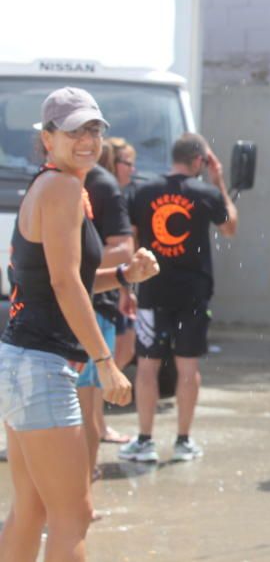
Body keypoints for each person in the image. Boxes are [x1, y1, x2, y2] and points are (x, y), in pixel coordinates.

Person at [0, 87, 158, 561]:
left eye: (93, 129)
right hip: (42, 365)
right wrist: (105, 362)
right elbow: (66, 285)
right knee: (74, 515)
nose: (86, 140)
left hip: (20, 360)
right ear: (48, 138)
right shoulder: (64, 188)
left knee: (31, 508)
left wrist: (125, 275)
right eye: (73, 131)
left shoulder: (50, 184)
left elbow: (61, 281)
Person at [119, 133, 238, 463]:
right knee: (188, 368)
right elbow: (230, 227)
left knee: (147, 366)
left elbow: (132, 242)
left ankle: (145, 440)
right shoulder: (206, 193)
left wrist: (126, 288)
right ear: (199, 161)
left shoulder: (142, 191)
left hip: (152, 292)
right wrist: (220, 182)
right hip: (193, 295)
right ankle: (183, 441)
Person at [77, 137, 135, 485]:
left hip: (95, 307)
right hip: (72, 306)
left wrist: (69, 266)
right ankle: (81, 483)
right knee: (84, 407)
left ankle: (83, 486)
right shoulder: (54, 179)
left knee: (87, 406)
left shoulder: (101, 185)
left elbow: (125, 247)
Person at [98, 137, 140, 371]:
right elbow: (125, 249)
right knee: (115, 351)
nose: (133, 170)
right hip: (106, 285)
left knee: (125, 349)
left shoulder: (124, 196)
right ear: (114, 163)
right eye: (128, 163)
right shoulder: (108, 195)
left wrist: (127, 289)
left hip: (118, 282)